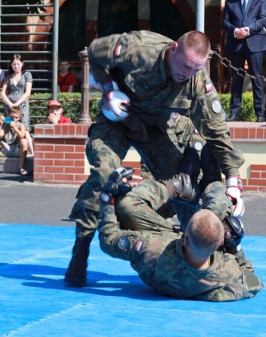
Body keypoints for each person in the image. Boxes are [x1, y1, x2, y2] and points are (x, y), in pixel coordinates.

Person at [63, 30, 246, 287]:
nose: (188, 73)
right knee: (104, 177)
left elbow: (215, 130)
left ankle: (196, 249)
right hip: (117, 119)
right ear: (173, 49)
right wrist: (107, 90)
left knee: (186, 184)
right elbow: (95, 51)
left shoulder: (196, 80)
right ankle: (80, 251)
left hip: (155, 129)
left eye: (196, 69)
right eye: (185, 65)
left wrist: (234, 180)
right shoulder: (139, 48)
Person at [97, 171, 262, 301]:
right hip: (195, 250)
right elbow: (252, 280)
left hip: (165, 246)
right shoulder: (228, 276)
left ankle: (178, 186)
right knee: (218, 207)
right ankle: (212, 179)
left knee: (125, 204)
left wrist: (108, 199)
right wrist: (235, 248)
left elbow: (108, 241)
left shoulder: (152, 249)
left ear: (185, 237)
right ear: (220, 242)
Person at [222, 0, 266, 122]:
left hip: (255, 44)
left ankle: (259, 113)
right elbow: (224, 22)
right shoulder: (231, 1)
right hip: (236, 44)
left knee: (256, 78)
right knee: (236, 79)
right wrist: (236, 31)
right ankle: (234, 112)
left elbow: (263, 19)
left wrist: (247, 30)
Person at [1, 54, 34, 155]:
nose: (16, 66)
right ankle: (10, 151)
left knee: (25, 129)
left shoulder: (27, 75)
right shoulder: (8, 77)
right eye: (14, 64)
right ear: (11, 65)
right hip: (9, 106)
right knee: (8, 126)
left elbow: (27, 92)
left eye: (18, 64)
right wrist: (10, 104)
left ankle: (32, 153)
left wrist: (17, 103)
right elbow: (2, 93)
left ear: (22, 64)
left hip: (22, 105)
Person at [0, 106, 29, 175]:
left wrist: (15, 127)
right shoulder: (5, 125)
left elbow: (22, 136)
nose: (13, 119)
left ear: (19, 118)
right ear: (8, 115)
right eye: (11, 117)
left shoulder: (21, 125)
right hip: (6, 149)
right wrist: (1, 126)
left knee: (24, 141)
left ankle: (21, 168)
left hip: (17, 149)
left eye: (16, 117)